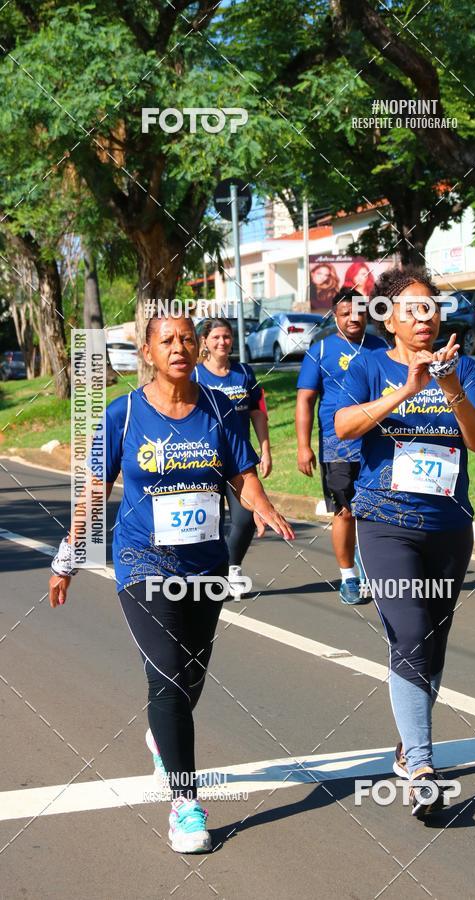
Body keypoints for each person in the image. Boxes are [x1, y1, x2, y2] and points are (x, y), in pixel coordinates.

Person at [48, 314, 294, 853]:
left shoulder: (219, 410)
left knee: (191, 674)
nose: (181, 347)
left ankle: (162, 737)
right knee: (165, 679)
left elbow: (241, 474)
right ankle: (185, 803)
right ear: (148, 353)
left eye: (188, 339)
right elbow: (94, 490)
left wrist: (264, 508)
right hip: (143, 560)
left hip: (205, 563)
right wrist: (68, 556)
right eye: (168, 341)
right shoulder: (123, 414)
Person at [334, 265, 475, 818]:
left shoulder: (463, 368)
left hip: (448, 525)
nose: (425, 319)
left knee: (433, 643)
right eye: (412, 310)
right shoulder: (370, 366)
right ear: (389, 318)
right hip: (384, 522)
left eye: (432, 308)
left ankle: (407, 747)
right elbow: (345, 428)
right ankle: (421, 766)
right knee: (410, 631)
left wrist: (449, 388)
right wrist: (405, 391)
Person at [296, 288, 388, 605]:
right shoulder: (320, 351)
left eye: (359, 311)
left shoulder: (381, 347)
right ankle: (349, 577)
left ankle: (374, 568)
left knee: (378, 511)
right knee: (345, 512)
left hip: (378, 442)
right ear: (335, 315)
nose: (353, 317)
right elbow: (305, 400)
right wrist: (303, 446)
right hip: (338, 447)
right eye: (346, 312)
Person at [194, 318, 271, 597]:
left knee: (245, 517)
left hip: (240, 461)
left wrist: (265, 450)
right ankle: (208, 574)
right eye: (215, 337)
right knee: (209, 522)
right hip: (205, 462)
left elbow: (258, 413)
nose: (222, 342)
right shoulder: (196, 376)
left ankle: (233, 569)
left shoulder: (244, 373)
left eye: (226, 336)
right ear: (205, 341)